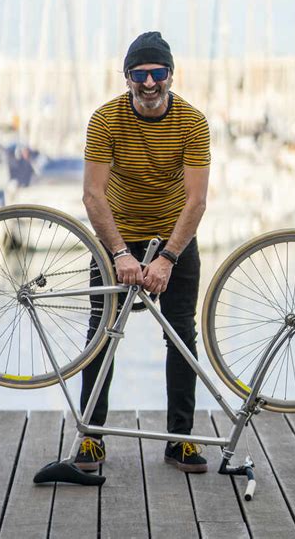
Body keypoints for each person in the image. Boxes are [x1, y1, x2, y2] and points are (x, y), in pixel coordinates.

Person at [77, 31, 211, 473]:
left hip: (174, 236)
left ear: (171, 74)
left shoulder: (192, 122)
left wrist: (168, 258)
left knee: (181, 337)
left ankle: (181, 440)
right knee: (101, 335)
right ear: (127, 76)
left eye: (157, 73)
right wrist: (119, 253)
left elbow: (196, 201)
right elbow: (93, 196)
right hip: (116, 234)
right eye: (139, 74)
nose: (149, 83)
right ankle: (91, 438)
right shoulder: (106, 120)